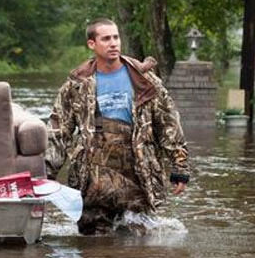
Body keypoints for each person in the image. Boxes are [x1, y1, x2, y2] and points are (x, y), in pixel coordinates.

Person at [44, 18, 190, 235]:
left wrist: (180, 166)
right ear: (92, 44)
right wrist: (46, 176)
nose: (113, 43)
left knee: (140, 244)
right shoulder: (76, 85)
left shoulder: (145, 80)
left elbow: (168, 124)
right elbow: (59, 131)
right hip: (92, 179)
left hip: (138, 173)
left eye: (116, 37)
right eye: (106, 38)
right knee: (92, 247)